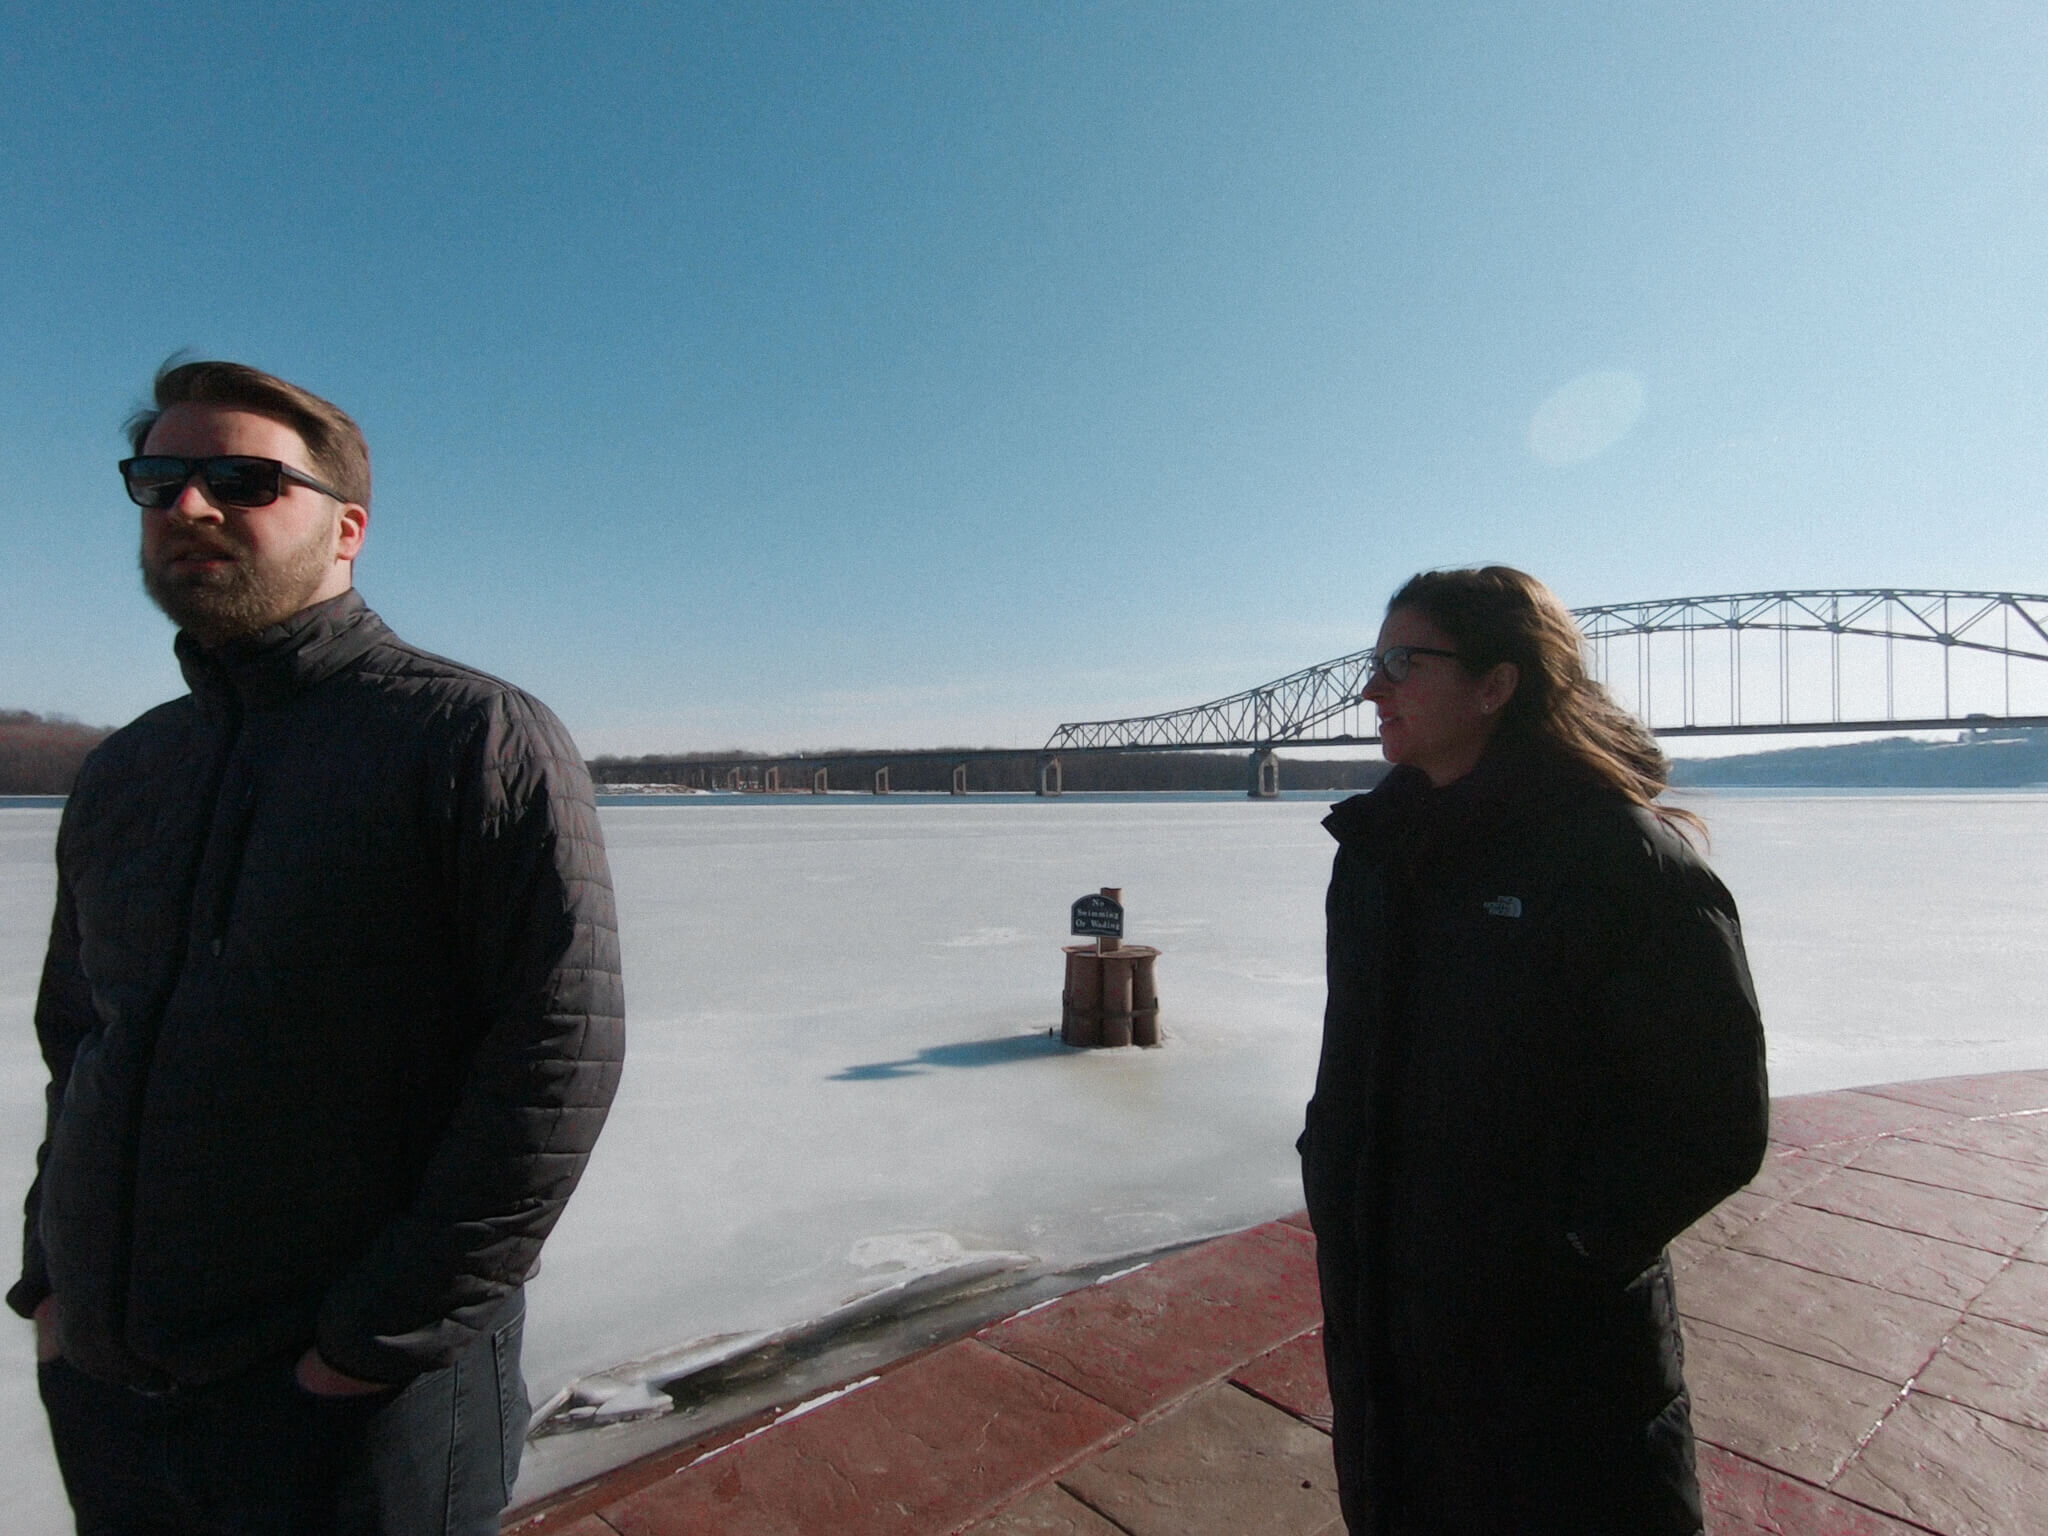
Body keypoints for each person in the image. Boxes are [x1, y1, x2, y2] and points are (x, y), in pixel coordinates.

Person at [11, 360, 626, 1534]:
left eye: (241, 479)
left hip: (352, 1408)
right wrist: (54, 1286)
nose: (189, 506)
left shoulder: (470, 736)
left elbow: (555, 1061)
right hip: (112, 1387)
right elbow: (79, 1036)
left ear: (347, 530)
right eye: (160, 479)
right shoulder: (127, 770)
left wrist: (371, 1346)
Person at [1299, 566, 1767, 1535]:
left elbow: (1713, 1124)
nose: (1367, 688)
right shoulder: (1374, 857)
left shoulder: (1617, 864)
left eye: (1400, 661)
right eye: (1368, 660)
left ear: (1494, 685)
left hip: (1555, 1377)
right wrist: (1335, 1190)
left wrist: (1554, 1258)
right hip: (1383, 1343)